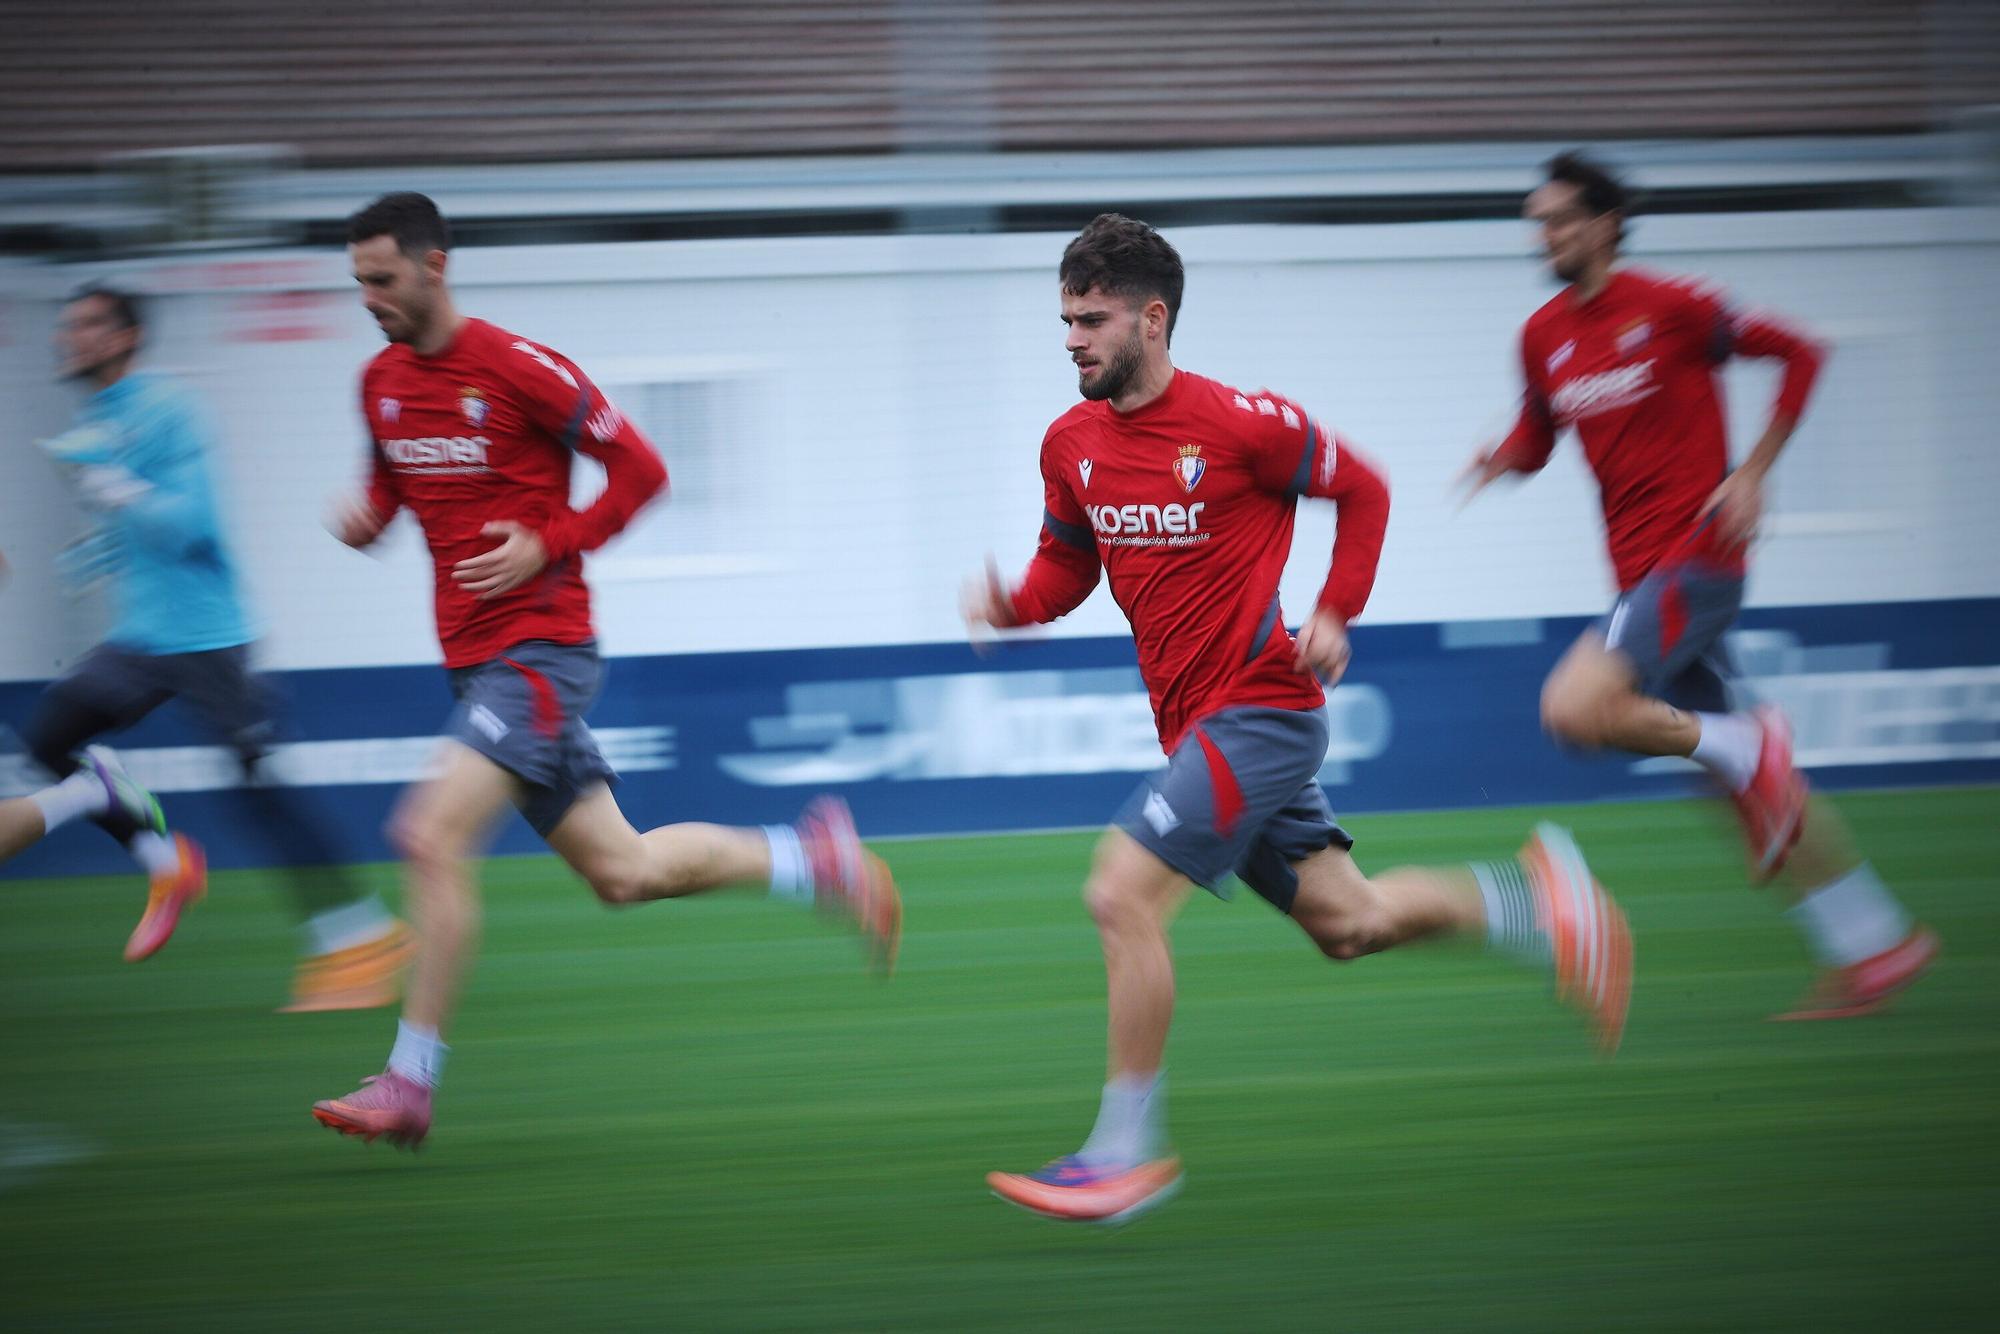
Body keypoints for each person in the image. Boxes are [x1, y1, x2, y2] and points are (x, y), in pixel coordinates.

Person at [964, 214, 1632, 1225]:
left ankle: (1120, 1151)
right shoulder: (1069, 443)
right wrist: (1013, 604)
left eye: (1090, 319)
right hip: (1198, 730)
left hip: (1261, 713)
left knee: (1119, 895)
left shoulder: (1242, 423)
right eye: (1064, 319)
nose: (1071, 339)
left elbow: (1363, 486)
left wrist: (1333, 609)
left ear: (1152, 317)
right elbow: (1070, 564)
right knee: (1347, 923)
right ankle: (1539, 901)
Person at [311, 193, 900, 1149]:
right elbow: (388, 493)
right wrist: (361, 523)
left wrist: (552, 541)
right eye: (358, 282)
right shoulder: (378, 383)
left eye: (382, 279)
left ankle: (410, 1082)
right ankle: (810, 858)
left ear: (435, 265)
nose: (368, 297)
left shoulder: (517, 369)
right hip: (474, 669)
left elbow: (643, 472)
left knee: (425, 836)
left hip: (541, 653)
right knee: (624, 873)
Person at [1460, 151, 1936, 1021]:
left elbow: (1800, 353)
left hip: (1699, 557)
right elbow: (1539, 435)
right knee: (1738, 788)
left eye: (1561, 217)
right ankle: (1874, 943)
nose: (1547, 234)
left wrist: (1754, 472)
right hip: (1640, 575)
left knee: (1574, 710)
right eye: (1538, 221)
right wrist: (1500, 458)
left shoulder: (1675, 307)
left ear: (1605, 222)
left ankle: (1749, 745)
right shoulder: (1543, 336)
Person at [25, 284, 410, 998]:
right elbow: (136, 532)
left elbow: (192, 523)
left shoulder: (170, 408)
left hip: (208, 637)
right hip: (139, 639)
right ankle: (165, 859)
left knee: (258, 791)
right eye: (65, 325)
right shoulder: (97, 416)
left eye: (85, 325)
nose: (67, 338)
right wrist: (93, 553)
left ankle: (360, 938)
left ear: (125, 338)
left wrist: (115, 488)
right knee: (50, 740)